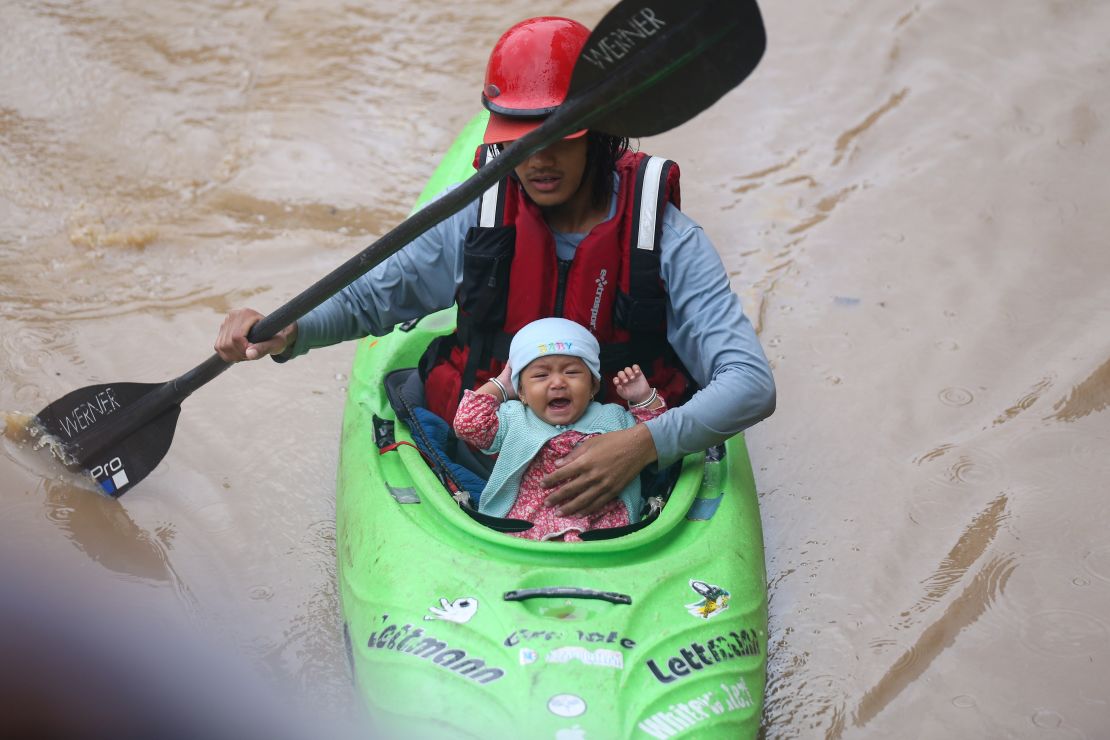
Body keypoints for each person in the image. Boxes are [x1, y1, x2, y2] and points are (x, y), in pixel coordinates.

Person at [214, 16, 775, 520]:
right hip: (482, 462)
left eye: (559, 137)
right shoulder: (474, 220)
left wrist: (643, 445)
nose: (537, 160)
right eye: (518, 138)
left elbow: (749, 385)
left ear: (602, 131)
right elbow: (369, 299)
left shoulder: (670, 241)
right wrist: (291, 330)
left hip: (628, 475)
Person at [453, 318, 665, 541]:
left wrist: (643, 398)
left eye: (572, 372)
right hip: (525, 525)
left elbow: (656, 439)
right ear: (522, 392)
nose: (557, 383)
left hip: (602, 526)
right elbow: (468, 424)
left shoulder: (613, 417)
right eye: (541, 375)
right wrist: (502, 386)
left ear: (593, 386)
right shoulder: (513, 417)